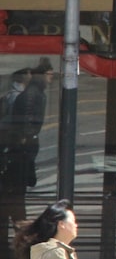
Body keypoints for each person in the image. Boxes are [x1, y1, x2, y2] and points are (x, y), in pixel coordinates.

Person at [1, 59, 55, 259]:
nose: (51, 78)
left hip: (20, 157)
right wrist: (25, 139)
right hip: (19, 158)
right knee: (16, 207)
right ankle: (20, 247)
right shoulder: (32, 96)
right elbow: (25, 124)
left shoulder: (34, 94)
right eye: (49, 74)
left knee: (13, 206)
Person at [13, 199, 78, 259]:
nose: (76, 225)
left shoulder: (50, 250)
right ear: (61, 224)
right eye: (73, 221)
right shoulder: (55, 252)